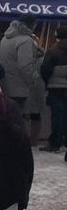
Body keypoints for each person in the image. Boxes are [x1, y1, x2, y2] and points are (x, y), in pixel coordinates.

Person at [0, 18, 37, 112]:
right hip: (19, 86)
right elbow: (25, 65)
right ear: (32, 25)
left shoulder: (5, 38)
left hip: (5, 84)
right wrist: (32, 80)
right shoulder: (25, 40)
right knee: (17, 119)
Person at [40, 25, 67, 155]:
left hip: (55, 87)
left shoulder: (53, 50)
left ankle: (55, 142)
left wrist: (47, 83)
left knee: (57, 115)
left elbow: (45, 69)